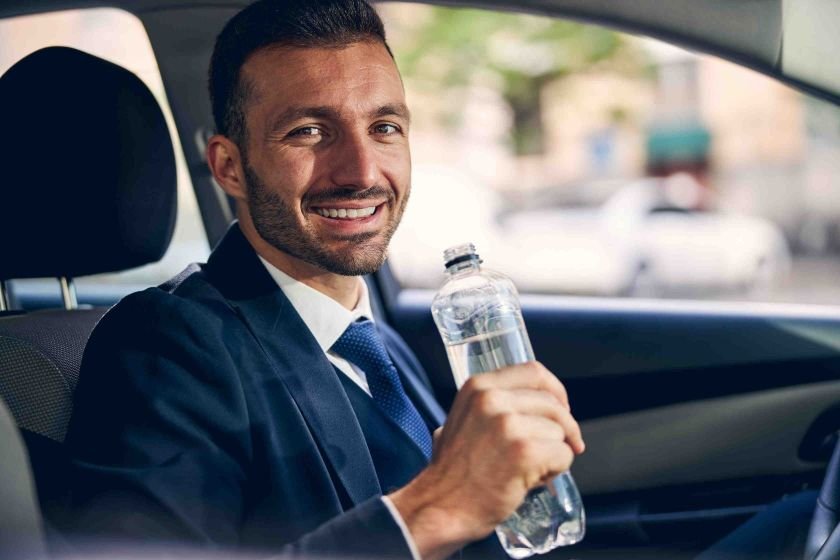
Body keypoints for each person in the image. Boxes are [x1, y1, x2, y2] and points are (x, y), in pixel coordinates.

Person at [64, 1, 584, 559]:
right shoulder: (162, 347)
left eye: (384, 127)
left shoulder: (376, 344)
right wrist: (436, 507)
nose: (361, 171)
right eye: (309, 131)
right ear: (229, 168)